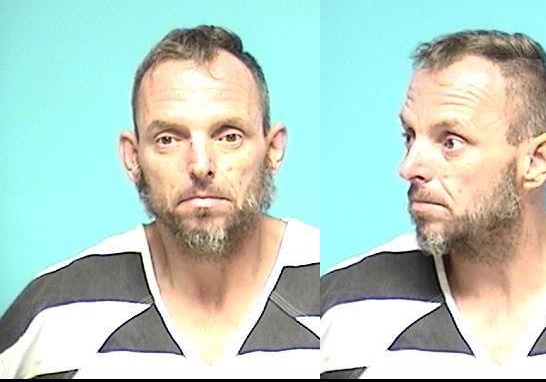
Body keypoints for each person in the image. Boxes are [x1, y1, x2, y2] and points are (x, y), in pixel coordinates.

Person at [0, 25, 319, 378]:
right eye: (168, 139)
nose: (200, 165)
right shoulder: (52, 317)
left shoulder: (338, 307)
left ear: (273, 149)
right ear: (132, 158)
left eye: (229, 136)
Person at [320, 30, 546, 378]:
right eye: (409, 136)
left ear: (536, 161)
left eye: (451, 142)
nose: (409, 167)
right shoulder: (343, 307)